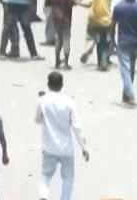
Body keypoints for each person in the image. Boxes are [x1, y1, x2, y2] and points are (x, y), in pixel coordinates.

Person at [36, 71, 89, 200]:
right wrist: (84, 147)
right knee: (68, 179)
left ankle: (43, 195)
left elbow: (37, 120)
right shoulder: (69, 102)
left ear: (48, 84)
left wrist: (40, 101)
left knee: (45, 175)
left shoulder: (43, 101)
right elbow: (77, 126)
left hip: (49, 147)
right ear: (62, 85)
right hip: (66, 148)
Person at [112, 0, 137, 106]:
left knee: (125, 70)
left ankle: (130, 95)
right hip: (136, 42)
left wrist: (112, 41)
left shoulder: (119, 7)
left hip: (123, 42)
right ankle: (126, 94)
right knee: (130, 69)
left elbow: (113, 25)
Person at [43, 0, 82, 69]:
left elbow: (47, 2)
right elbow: (74, 3)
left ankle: (57, 61)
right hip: (66, 18)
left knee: (59, 39)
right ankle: (66, 63)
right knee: (66, 40)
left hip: (55, 18)